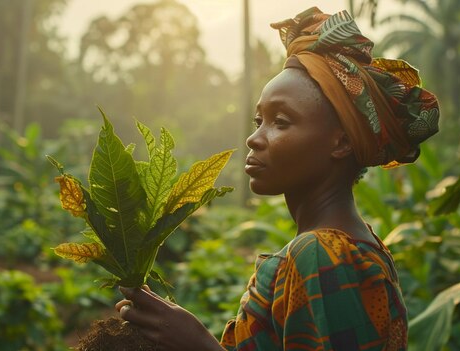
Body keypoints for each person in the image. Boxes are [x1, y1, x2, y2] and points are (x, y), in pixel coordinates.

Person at [116, 6, 439, 351]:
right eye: (259, 122)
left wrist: (199, 344)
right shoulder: (348, 247)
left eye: (281, 122)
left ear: (341, 141)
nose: (254, 139)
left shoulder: (322, 253)